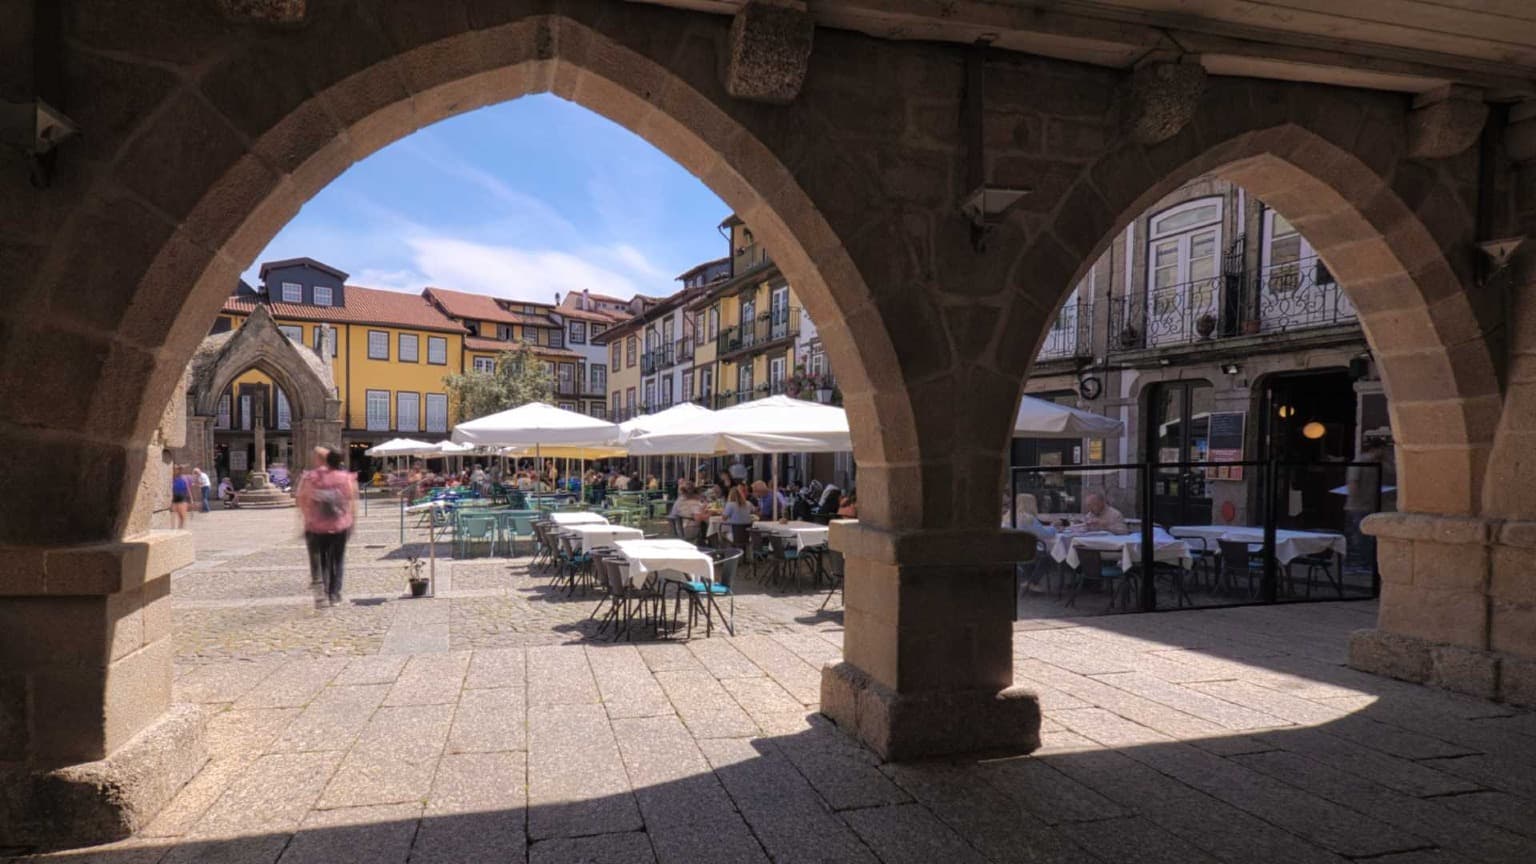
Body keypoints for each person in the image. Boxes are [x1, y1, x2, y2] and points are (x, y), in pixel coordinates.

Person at [297, 447, 357, 608]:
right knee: (337, 560)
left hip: (315, 526)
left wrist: (307, 517)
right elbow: (351, 500)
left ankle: (322, 592)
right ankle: (334, 594)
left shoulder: (311, 477)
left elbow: (302, 498)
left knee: (321, 560)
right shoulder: (345, 478)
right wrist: (352, 521)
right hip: (340, 524)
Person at [170, 464, 191, 529]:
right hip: (175, 497)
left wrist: (190, 498)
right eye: (174, 469)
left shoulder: (184, 478)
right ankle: (173, 528)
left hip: (182, 497)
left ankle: (180, 528)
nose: (175, 470)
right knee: (173, 514)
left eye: (177, 469)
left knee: (181, 515)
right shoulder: (172, 478)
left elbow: (187, 488)